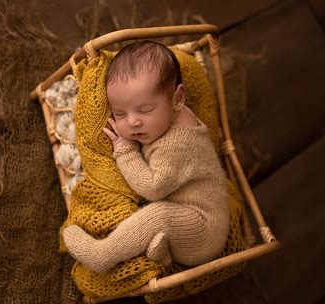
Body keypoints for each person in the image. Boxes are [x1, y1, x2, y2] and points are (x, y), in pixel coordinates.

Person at [62, 41, 229, 273]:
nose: (132, 122)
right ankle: (164, 251)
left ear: (178, 99)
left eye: (145, 110)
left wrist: (125, 149)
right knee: (158, 220)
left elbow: (152, 188)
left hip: (203, 228)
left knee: (156, 215)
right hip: (184, 225)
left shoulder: (177, 142)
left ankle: (103, 255)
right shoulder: (168, 117)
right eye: (120, 113)